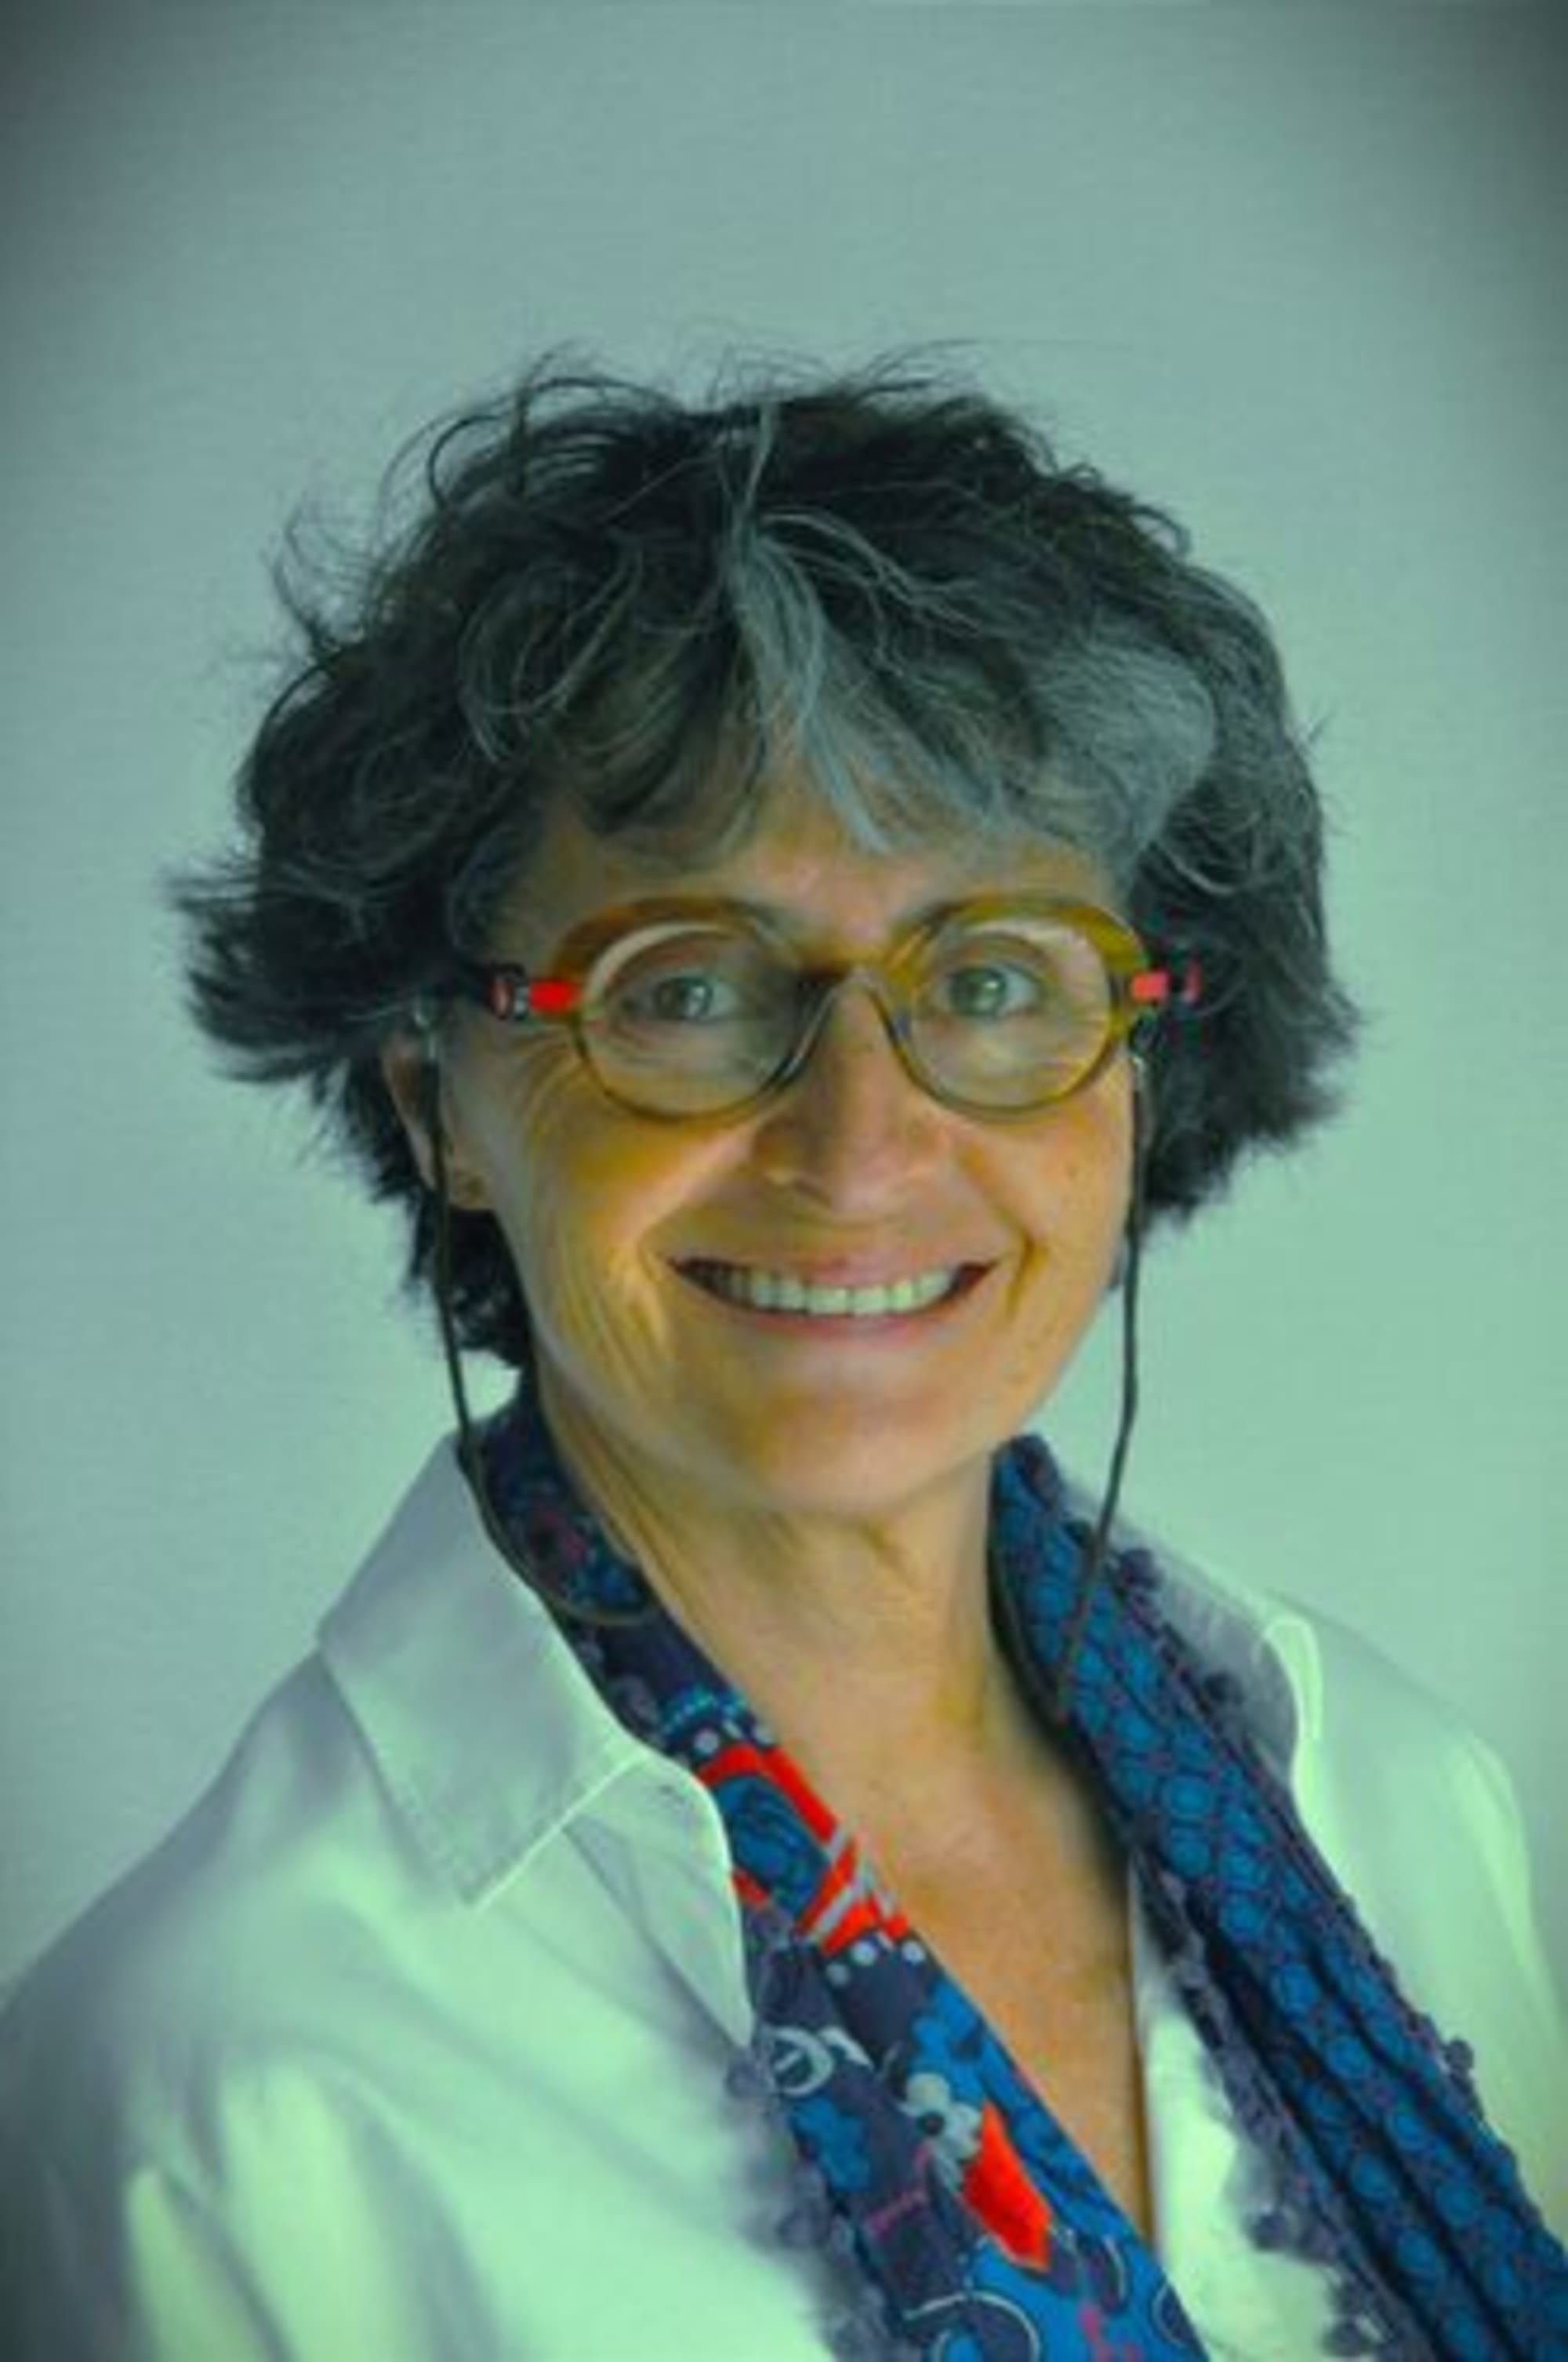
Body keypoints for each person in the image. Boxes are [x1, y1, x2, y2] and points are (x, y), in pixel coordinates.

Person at [2, 358, 1563, 2361]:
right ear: (435, 1102)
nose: (858, 1145)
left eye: (989, 979)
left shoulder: (1396, 1800)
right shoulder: (203, 2097)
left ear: (1143, 1075)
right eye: (689, 990)